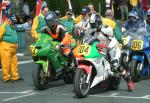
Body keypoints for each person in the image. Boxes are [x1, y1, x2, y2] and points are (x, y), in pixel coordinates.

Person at [89, 13, 135, 91]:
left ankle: (129, 80)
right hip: (101, 48)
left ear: (99, 22)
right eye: (92, 25)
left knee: (115, 65)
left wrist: (109, 47)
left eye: (95, 24)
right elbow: (89, 39)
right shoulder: (92, 30)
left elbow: (113, 40)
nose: (93, 26)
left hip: (111, 48)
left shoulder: (107, 29)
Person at [0, 14, 23, 82]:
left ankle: (15, 77)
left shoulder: (11, 26)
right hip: (5, 47)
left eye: (13, 21)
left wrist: (16, 43)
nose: (13, 22)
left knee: (14, 63)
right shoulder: (4, 26)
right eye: (12, 20)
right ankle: (6, 78)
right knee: (6, 63)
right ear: (8, 19)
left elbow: (14, 35)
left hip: (13, 48)